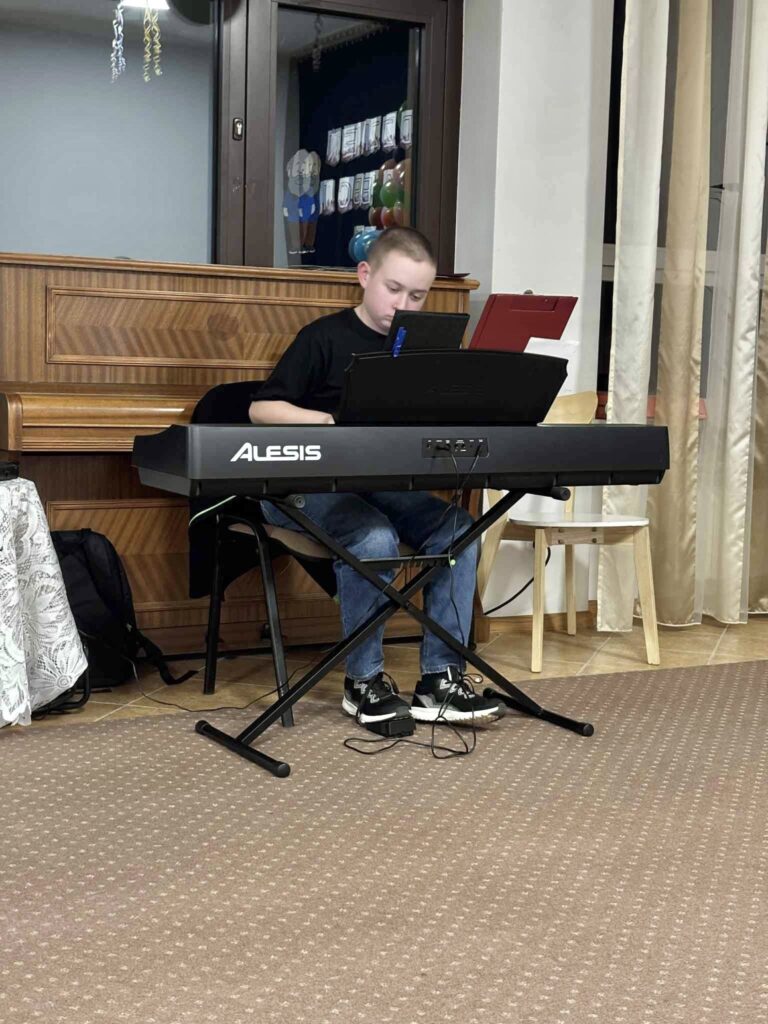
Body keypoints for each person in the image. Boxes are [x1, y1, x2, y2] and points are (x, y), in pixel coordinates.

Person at [249, 227, 503, 730]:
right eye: (393, 289)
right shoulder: (322, 337)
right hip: (304, 487)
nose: (402, 304)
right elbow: (261, 409)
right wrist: (326, 423)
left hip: (378, 484)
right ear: (365, 275)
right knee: (373, 536)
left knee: (459, 528)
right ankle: (362, 682)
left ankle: (441, 679)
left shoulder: (423, 351)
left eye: (417, 295)